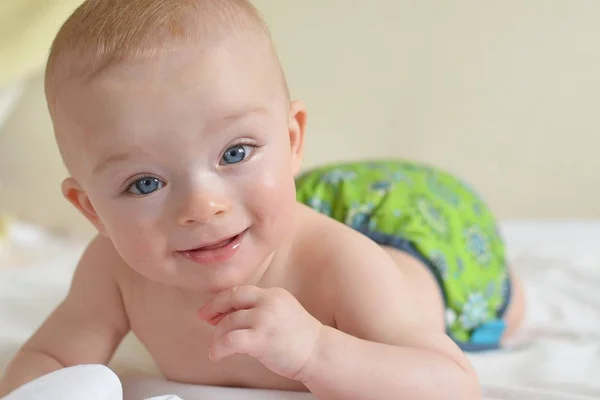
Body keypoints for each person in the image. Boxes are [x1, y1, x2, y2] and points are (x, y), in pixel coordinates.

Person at [0, 1, 524, 399]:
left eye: (235, 152)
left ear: (292, 141)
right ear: (92, 210)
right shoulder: (113, 272)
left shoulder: (338, 264)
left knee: (495, 306)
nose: (202, 206)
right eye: (144, 183)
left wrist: (316, 351)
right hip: (280, 212)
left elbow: (453, 385)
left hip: (423, 237)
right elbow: (50, 355)